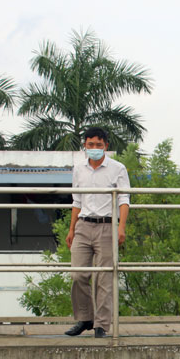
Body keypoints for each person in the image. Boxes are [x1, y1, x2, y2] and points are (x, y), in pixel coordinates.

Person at [64, 127, 131, 338]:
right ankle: (85, 318)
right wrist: (71, 228)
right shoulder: (79, 169)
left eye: (98, 145)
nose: (94, 149)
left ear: (106, 146)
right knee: (77, 274)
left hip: (107, 224)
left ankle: (102, 325)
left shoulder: (118, 168)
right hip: (83, 225)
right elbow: (76, 200)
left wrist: (121, 227)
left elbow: (124, 200)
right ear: (85, 145)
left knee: (104, 278)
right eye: (90, 145)